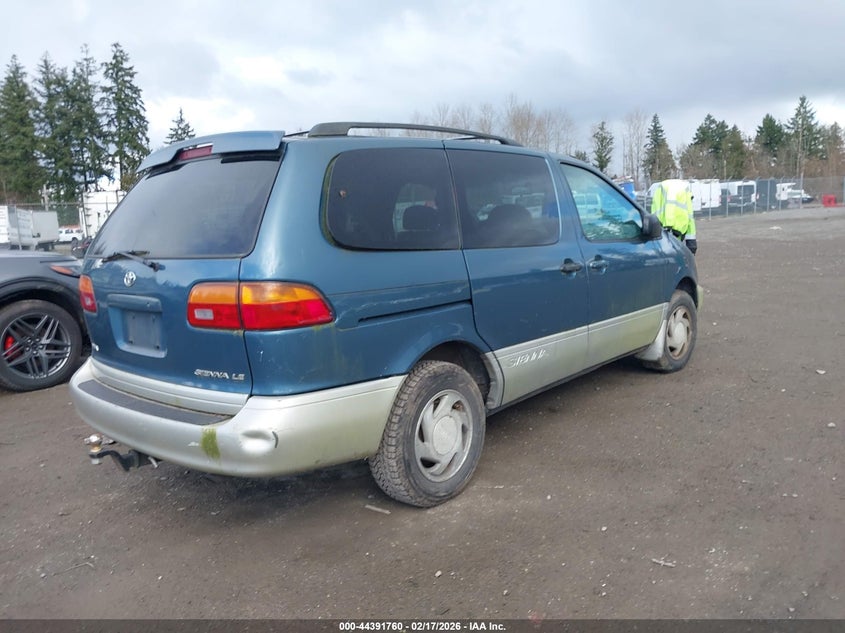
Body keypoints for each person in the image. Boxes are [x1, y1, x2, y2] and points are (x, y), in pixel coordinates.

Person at [650, 179, 697, 255]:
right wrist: (692, 243)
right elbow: (690, 218)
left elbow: (654, 212)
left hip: (660, 232)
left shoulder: (660, 189)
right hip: (677, 232)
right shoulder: (685, 191)